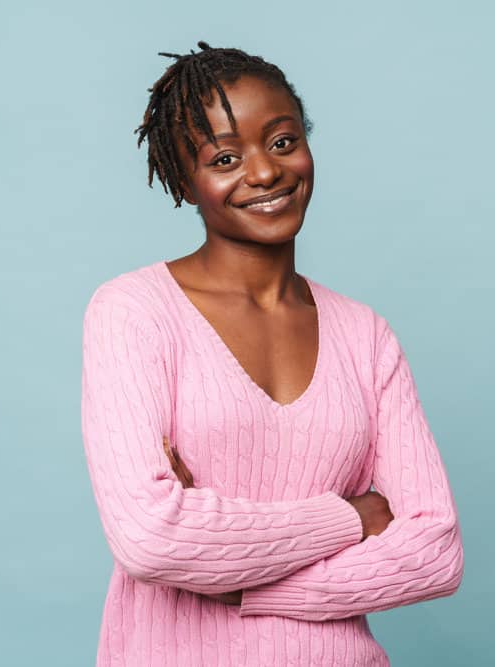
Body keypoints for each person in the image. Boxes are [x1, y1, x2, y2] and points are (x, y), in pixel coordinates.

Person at [80, 41, 463, 666]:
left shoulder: (365, 336)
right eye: (225, 157)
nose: (264, 173)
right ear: (184, 180)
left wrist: (238, 582)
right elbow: (150, 538)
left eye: (282, 142)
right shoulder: (134, 311)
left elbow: (434, 553)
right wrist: (349, 518)